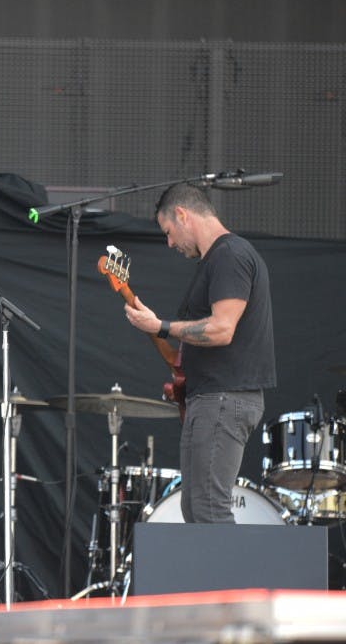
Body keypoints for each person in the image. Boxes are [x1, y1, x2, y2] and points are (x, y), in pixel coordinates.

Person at [122, 182, 275, 523]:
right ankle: (214, 578)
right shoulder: (218, 260)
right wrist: (157, 330)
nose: (170, 243)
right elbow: (201, 340)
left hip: (224, 398)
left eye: (168, 232)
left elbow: (221, 329)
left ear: (182, 214)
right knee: (195, 509)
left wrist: (160, 326)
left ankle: (234, 579)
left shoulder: (230, 255)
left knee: (209, 508)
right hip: (210, 398)